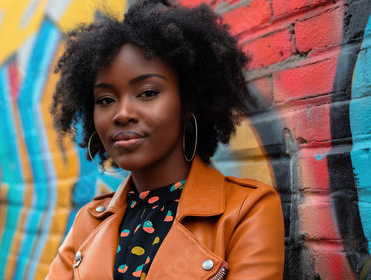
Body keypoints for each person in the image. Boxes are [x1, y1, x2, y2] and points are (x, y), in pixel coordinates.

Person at [46, 0, 284, 279]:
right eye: (106, 99)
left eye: (147, 92)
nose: (122, 114)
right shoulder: (88, 221)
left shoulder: (246, 211)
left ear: (189, 102)